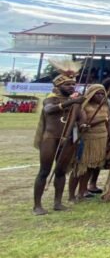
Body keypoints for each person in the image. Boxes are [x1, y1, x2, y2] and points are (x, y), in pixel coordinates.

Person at [32, 59, 84, 215]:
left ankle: (58, 202)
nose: (71, 87)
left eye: (73, 84)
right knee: (44, 171)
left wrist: (82, 124)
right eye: (67, 85)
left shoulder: (74, 101)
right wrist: (70, 102)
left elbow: (80, 117)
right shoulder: (51, 98)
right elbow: (49, 110)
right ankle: (37, 205)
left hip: (67, 139)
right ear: (58, 86)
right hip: (50, 138)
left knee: (61, 171)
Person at [69, 84, 110, 203]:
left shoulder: (105, 106)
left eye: (103, 94)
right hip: (87, 139)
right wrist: (100, 120)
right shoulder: (84, 106)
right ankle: (72, 195)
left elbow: (109, 124)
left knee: (91, 167)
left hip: (101, 139)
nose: (100, 96)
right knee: (80, 167)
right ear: (91, 94)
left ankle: (83, 191)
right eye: (97, 94)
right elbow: (83, 124)